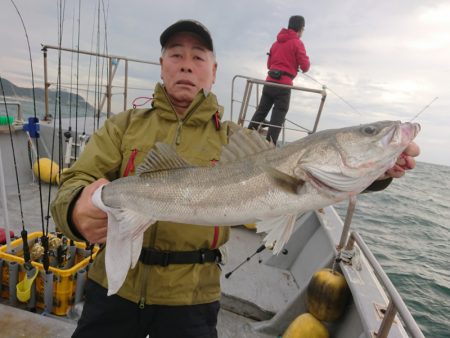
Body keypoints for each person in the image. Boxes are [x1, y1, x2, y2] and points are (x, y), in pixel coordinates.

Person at [50, 19, 420, 338]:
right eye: (176, 55)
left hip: (192, 297)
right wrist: (76, 208)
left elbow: (332, 180)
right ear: (162, 65)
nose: (186, 65)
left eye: (198, 57)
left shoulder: (240, 140)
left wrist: (379, 171)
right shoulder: (121, 126)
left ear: (214, 70)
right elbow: (72, 184)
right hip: (113, 289)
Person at [248, 15, 310, 145]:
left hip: (269, 82)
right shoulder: (297, 43)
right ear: (301, 28)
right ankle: (269, 147)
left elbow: (269, 65)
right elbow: (305, 66)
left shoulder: (275, 43)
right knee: (278, 116)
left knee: (261, 111)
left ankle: (246, 136)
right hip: (284, 86)